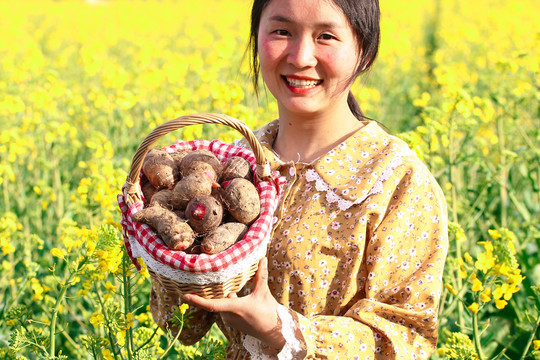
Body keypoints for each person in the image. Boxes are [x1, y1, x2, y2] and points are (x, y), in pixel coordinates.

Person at [149, 0, 449, 358]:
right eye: (281, 31)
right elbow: (184, 330)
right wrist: (167, 251)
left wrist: (284, 329)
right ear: (256, 38)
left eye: (326, 36)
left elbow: (407, 339)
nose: (301, 56)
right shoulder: (234, 165)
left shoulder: (397, 182)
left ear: (364, 52)